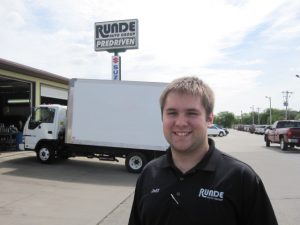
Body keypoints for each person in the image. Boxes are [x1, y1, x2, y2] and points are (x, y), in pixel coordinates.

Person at [128, 76, 278, 225]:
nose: (180, 123)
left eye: (191, 113)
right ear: (162, 117)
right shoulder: (149, 174)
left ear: (209, 119)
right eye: (172, 113)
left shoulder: (241, 178)